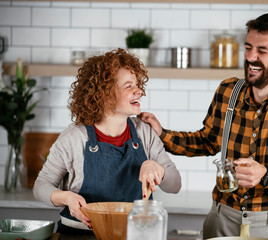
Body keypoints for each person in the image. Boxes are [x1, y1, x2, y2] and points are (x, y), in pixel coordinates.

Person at [140, 12, 268, 239]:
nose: (250, 57)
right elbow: (208, 141)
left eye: (262, 51)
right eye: (248, 47)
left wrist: (267, 175)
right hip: (222, 217)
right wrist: (162, 134)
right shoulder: (228, 91)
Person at [33, 48, 181, 234]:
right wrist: (66, 197)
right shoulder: (74, 138)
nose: (139, 91)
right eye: (128, 86)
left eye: (138, 84)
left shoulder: (145, 132)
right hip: (81, 235)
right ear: (104, 93)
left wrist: (157, 168)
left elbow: (175, 184)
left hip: (133, 233)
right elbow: (41, 187)